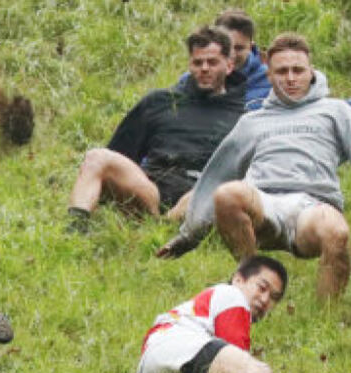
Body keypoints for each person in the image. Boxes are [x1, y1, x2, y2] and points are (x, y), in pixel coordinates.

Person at [159, 34, 351, 300]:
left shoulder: (335, 112)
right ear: (269, 76)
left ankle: (325, 321)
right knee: (228, 194)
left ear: (311, 72)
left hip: (313, 207)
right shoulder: (253, 122)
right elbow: (217, 174)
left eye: (298, 70)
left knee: (337, 232)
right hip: (263, 203)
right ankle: (248, 284)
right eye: (282, 71)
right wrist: (189, 235)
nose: (291, 78)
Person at [65, 26, 245, 230]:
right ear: (190, 65)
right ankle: (76, 228)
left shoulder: (244, 116)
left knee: (217, 189)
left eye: (212, 62)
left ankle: (167, 228)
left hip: (205, 192)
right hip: (152, 192)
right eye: (197, 62)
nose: (204, 68)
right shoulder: (158, 102)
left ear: (229, 65)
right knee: (97, 157)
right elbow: (119, 154)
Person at [134, 255, 341, 373]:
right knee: (255, 372)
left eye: (274, 298)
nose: (265, 299)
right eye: (262, 287)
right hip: (178, 346)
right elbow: (236, 357)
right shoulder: (232, 295)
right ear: (238, 279)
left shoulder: (202, 308)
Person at [213, 8, 351, 121]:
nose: (231, 55)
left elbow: (316, 110)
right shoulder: (197, 79)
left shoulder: (273, 78)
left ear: (251, 46)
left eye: (239, 48)